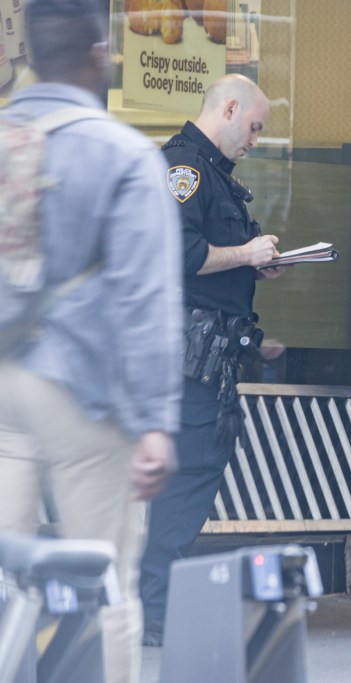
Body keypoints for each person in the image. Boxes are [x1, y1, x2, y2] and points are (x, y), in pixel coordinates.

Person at [0, 0, 182, 680]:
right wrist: (156, 422)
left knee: (3, 576)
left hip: (2, 384)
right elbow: (146, 299)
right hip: (83, 392)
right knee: (102, 577)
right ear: (97, 56)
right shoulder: (125, 154)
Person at [140, 73, 284, 646]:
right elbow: (180, 254)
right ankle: (155, 607)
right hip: (185, 357)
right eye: (253, 127)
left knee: (193, 474)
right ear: (229, 109)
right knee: (187, 476)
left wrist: (254, 263)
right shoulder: (185, 170)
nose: (255, 140)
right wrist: (246, 252)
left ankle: (157, 601)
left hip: (209, 356)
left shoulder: (215, 177)